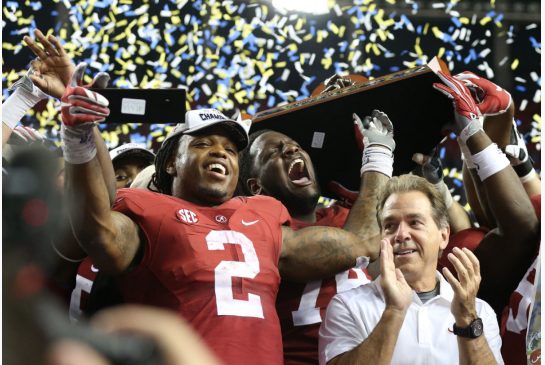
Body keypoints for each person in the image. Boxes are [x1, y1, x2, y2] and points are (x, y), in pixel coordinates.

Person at [61, 65, 377, 365]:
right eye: (202, 143)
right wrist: (80, 138)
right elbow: (97, 229)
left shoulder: (262, 214)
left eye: (229, 149)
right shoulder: (148, 211)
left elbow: (351, 246)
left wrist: (380, 176)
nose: (219, 152)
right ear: (171, 163)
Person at [319, 71, 511, 365]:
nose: (401, 234)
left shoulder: (479, 311)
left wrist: (467, 318)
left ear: (444, 235)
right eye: (390, 225)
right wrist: (394, 310)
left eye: (415, 222)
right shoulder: (348, 305)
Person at [238, 102, 391, 363]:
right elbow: (361, 243)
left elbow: (382, 269)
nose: (291, 148)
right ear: (256, 187)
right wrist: (378, 158)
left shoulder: (345, 215)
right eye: (272, 153)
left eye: (295, 144)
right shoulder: (258, 228)